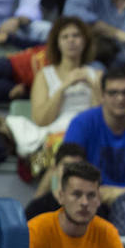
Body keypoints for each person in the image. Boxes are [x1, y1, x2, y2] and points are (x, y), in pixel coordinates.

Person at [63, 66, 125, 205]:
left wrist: (124, 194)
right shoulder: (81, 124)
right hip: (90, 201)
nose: (120, 98)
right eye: (113, 93)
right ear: (102, 96)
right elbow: (67, 172)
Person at [21, 16, 101, 170]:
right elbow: (40, 120)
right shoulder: (44, 75)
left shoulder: (96, 75)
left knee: (78, 155)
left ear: (85, 41)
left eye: (76, 36)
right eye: (65, 36)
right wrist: (63, 87)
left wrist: (94, 87)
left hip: (87, 138)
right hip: (53, 139)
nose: (71, 40)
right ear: (57, 43)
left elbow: (102, 119)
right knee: (61, 158)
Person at [24, 142, 91, 221]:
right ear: (56, 168)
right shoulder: (36, 209)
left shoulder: (93, 209)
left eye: (76, 167)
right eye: (66, 167)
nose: (71, 172)